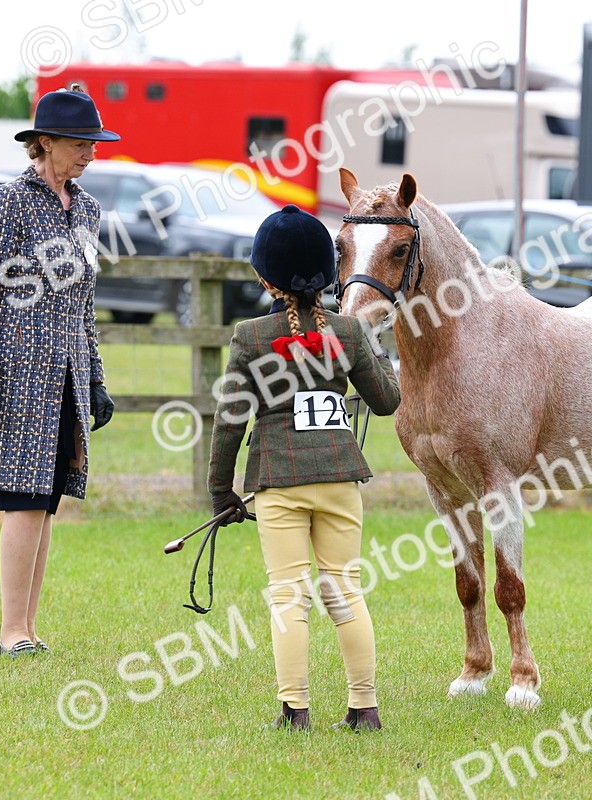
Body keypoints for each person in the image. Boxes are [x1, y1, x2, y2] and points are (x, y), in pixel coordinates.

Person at [208, 204, 401, 731]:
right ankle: (365, 709)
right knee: (344, 589)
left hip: (278, 481)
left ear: (263, 276)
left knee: (289, 597)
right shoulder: (350, 332)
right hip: (340, 477)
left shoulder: (250, 337)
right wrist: (374, 347)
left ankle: (295, 712)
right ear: (328, 274)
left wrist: (220, 491)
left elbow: (229, 423)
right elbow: (386, 402)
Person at [0, 84, 118, 657]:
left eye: (94, 143)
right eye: (80, 143)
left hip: (65, 377)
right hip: (13, 376)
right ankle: (10, 632)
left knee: (45, 501)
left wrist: (94, 377)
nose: (90, 153)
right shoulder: (8, 202)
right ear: (44, 143)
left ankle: (27, 626)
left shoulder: (89, 210)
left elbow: (83, 307)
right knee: (23, 501)